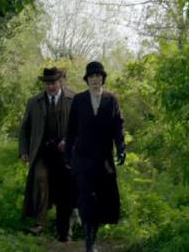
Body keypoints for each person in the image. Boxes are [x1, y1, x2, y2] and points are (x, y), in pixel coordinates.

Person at [65, 61, 126, 252]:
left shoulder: (111, 100)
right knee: (86, 198)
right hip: (83, 158)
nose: (95, 79)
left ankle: (92, 238)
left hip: (103, 159)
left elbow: (118, 127)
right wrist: (68, 154)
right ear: (87, 79)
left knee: (101, 199)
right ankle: (88, 243)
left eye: (98, 76)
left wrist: (121, 148)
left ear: (103, 78)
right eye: (91, 76)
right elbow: (71, 129)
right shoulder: (79, 100)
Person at [19, 66, 75, 241]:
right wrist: (23, 150)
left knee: (65, 187)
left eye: (54, 82)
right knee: (40, 179)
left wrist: (69, 141)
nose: (51, 86)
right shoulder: (34, 102)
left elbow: (81, 126)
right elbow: (25, 129)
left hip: (65, 153)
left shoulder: (73, 99)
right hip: (42, 151)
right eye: (47, 83)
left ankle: (64, 226)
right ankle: (39, 222)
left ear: (61, 81)